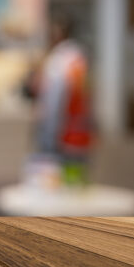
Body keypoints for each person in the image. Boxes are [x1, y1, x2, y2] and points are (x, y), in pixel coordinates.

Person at [36, 13, 92, 159]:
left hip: (62, 134)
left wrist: (49, 135)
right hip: (80, 133)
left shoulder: (58, 61)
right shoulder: (79, 57)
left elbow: (54, 101)